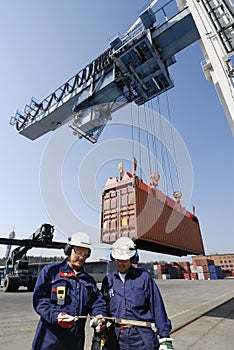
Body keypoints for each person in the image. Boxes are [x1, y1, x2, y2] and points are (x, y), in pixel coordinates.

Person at [32, 231, 107, 350]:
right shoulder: (51, 272)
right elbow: (40, 301)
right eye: (78, 252)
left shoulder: (88, 281)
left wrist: (99, 316)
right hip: (49, 341)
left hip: (74, 343)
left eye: (85, 254)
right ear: (68, 250)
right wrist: (56, 316)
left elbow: (97, 302)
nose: (81, 257)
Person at [101, 236, 174, 350]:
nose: (121, 263)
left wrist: (164, 337)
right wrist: (99, 320)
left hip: (141, 338)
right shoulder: (108, 281)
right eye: (118, 260)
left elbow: (157, 307)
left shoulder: (144, 278)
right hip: (116, 338)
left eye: (124, 260)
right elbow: (103, 307)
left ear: (132, 259)